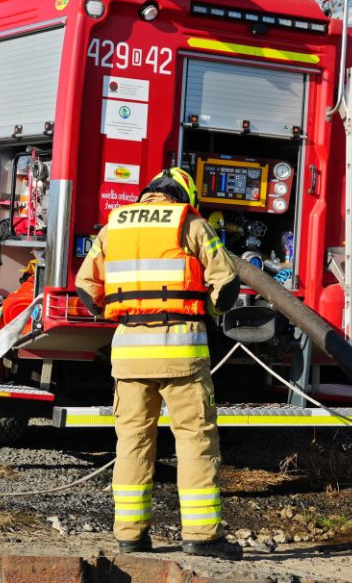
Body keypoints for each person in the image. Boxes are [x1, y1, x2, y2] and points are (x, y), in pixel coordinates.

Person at [75, 167, 243, 559]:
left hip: (129, 354)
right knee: (195, 442)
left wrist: (119, 312)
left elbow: (87, 286)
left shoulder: (114, 225)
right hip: (181, 351)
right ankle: (202, 537)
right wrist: (212, 311)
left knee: (132, 443)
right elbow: (228, 284)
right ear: (183, 196)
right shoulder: (190, 222)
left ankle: (130, 536)